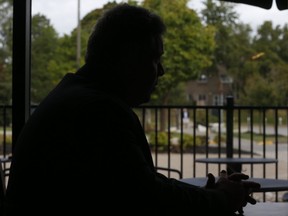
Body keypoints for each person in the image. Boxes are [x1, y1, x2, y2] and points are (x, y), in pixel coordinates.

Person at [4, 3, 260, 215]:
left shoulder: (77, 99)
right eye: (154, 58)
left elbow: (136, 183)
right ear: (128, 59)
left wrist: (207, 195)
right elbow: (148, 198)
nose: (161, 70)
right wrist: (221, 200)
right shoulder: (99, 111)